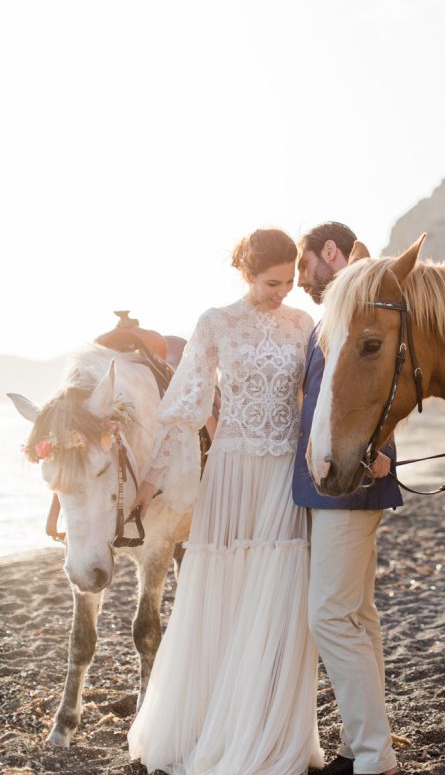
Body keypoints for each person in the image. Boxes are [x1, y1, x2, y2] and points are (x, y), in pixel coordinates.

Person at [127, 228, 323, 775]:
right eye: (271, 282)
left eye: (289, 281)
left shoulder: (303, 324)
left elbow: (315, 401)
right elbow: (182, 409)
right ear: (246, 273)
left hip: (286, 472)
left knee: (279, 594)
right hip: (232, 472)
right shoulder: (214, 322)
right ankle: (210, 723)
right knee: (223, 595)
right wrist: (151, 482)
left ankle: (266, 727)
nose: (282, 290)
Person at [294, 221, 403, 775]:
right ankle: (356, 746)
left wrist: (380, 451)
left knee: (330, 617)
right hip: (337, 478)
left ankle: (374, 755)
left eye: (303, 266)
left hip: (348, 479)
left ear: (328, 252)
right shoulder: (344, 312)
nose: (299, 281)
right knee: (356, 615)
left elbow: (377, 386)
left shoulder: (363, 305)